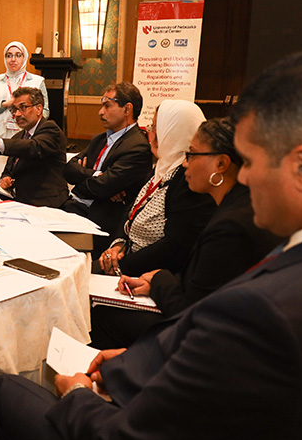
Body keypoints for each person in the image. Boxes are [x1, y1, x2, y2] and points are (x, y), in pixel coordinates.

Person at [0, 50, 302, 440]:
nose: (242, 175)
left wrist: (76, 393)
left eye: (249, 161)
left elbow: (128, 437)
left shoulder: (265, 309)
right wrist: (138, 362)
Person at [90, 117, 282, 348]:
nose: (184, 164)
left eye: (191, 154)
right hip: (217, 323)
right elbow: (205, 281)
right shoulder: (239, 204)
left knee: (101, 316)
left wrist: (160, 279)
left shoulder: (231, 226)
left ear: (221, 164)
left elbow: (191, 310)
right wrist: (156, 281)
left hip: (213, 342)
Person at [98, 99, 215, 277]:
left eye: (155, 127)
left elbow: (175, 247)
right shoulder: (162, 167)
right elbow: (132, 211)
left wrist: (121, 264)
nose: (150, 133)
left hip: (146, 274)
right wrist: (117, 245)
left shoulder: (189, 179)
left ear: (173, 132)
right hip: (126, 259)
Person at [62, 83, 153, 257]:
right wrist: (95, 175)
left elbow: (103, 186)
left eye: (107, 105)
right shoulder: (99, 139)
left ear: (127, 109)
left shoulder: (137, 147)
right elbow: (68, 170)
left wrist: (88, 179)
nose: (100, 112)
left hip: (98, 220)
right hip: (73, 206)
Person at [0, 87, 68, 208]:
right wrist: (5, 178)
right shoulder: (18, 136)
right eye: (14, 109)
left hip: (43, 199)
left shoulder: (51, 129)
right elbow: (9, 170)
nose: (17, 114)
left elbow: (32, 148)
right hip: (18, 197)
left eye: (23, 107)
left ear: (38, 109)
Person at [0, 42, 48, 180]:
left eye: (18, 55)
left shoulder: (37, 81)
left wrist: (25, 112)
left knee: (22, 175)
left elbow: (45, 112)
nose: (13, 59)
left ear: (24, 57)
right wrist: (5, 104)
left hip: (26, 137)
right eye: (8, 55)